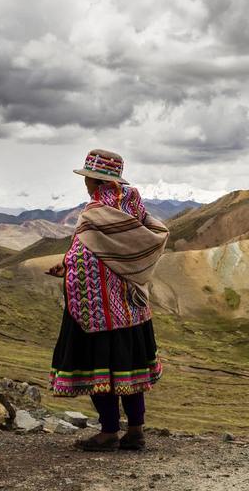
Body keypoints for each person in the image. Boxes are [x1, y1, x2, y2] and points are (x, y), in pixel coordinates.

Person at [46, 149, 169, 451]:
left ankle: (109, 432)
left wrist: (68, 267)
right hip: (132, 307)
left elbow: (86, 259)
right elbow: (134, 248)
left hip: (97, 313)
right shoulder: (134, 208)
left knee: (100, 368)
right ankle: (136, 431)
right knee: (129, 369)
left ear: (93, 179)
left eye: (87, 177)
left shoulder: (96, 214)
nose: (85, 183)